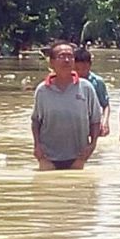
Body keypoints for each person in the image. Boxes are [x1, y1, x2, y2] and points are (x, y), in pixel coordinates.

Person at [31, 42, 101, 170]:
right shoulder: (42, 90)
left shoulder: (86, 88)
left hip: (78, 157)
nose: (67, 60)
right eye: (62, 56)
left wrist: (92, 145)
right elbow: (36, 120)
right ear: (51, 63)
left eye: (70, 56)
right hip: (48, 158)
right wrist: (37, 147)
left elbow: (95, 120)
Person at [74, 47, 111, 136]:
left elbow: (105, 105)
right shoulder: (68, 81)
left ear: (90, 65)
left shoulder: (97, 82)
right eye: (77, 69)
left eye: (84, 68)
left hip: (93, 122)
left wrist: (105, 122)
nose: (81, 72)